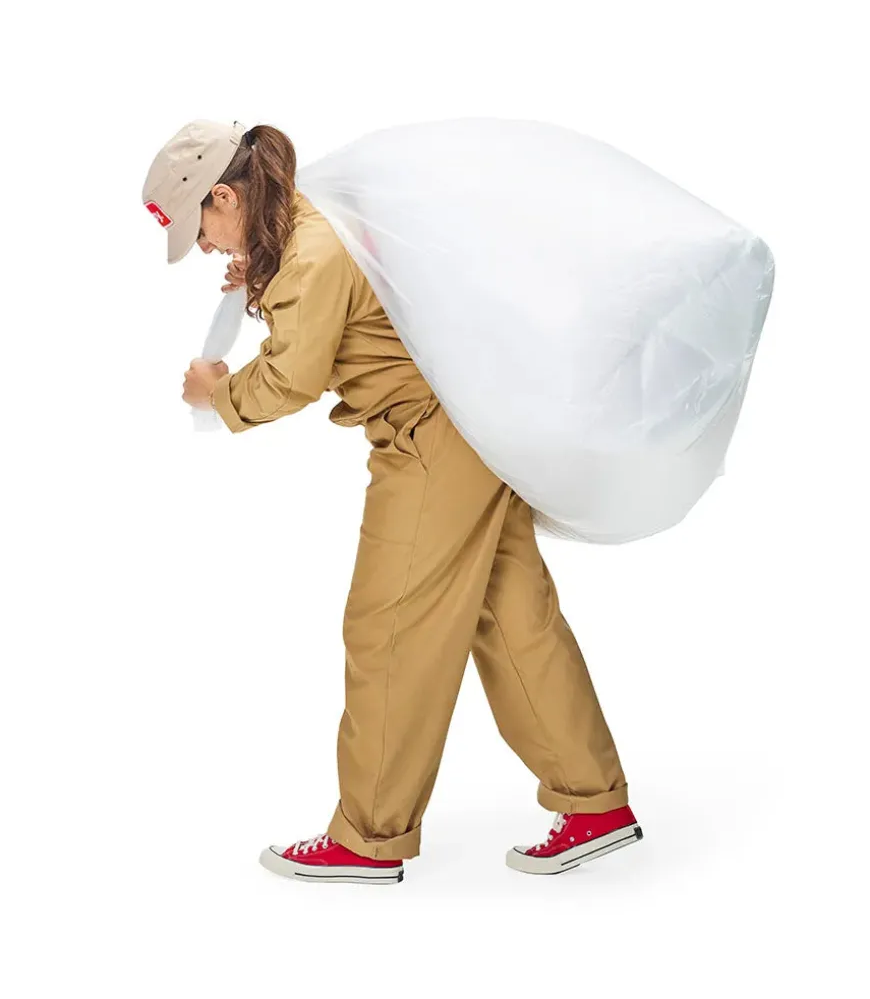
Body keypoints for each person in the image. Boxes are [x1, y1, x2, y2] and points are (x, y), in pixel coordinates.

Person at [142, 119, 643, 886]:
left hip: (429, 445)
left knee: (386, 629)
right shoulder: (314, 215)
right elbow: (344, 293)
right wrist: (262, 271)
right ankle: (595, 804)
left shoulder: (309, 254)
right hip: (475, 426)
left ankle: (368, 838)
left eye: (201, 227)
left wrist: (219, 394)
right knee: (513, 620)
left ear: (224, 195)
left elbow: (290, 380)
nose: (205, 247)